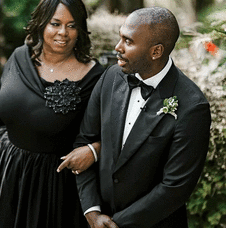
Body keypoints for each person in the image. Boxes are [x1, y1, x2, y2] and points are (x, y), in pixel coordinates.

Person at [61, 7, 211, 228]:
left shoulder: (192, 106)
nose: (117, 47)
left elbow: (174, 188)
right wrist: (92, 211)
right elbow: (84, 141)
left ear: (156, 51)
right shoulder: (110, 77)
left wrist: (115, 224)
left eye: (128, 41)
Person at [0, 0, 105, 227]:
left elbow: (115, 132)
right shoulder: (18, 58)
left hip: (53, 185)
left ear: (80, 30)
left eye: (72, 25)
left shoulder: (95, 77)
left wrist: (93, 150)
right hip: (10, 171)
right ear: (42, 24)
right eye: (55, 23)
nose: (63, 32)